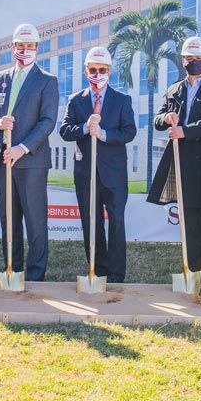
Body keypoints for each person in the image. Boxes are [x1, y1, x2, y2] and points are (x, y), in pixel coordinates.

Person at [147, 36, 201, 285]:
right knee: (191, 228)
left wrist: (186, 130)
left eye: (197, 58)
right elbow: (157, 118)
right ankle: (192, 275)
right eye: (188, 58)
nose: (192, 62)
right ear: (182, 60)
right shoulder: (175, 89)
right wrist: (166, 119)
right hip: (184, 168)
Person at [0, 23, 59, 281]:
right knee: (9, 221)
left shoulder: (47, 81)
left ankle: (36, 276)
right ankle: (12, 272)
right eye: (20, 46)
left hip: (32, 163)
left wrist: (22, 148)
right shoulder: (0, 78)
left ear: (37, 48)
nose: (24, 50)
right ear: (12, 47)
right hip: (3, 162)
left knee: (35, 222)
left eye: (30, 46)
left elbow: (48, 121)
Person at [59, 46, 137, 283]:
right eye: (93, 69)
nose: (97, 74)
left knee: (116, 223)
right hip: (86, 175)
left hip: (114, 175)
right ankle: (97, 270)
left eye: (102, 69)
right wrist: (84, 128)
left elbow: (129, 131)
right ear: (86, 72)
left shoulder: (122, 100)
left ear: (109, 72)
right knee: (91, 224)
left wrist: (103, 133)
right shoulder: (76, 101)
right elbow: (64, 130)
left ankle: (115, 275)